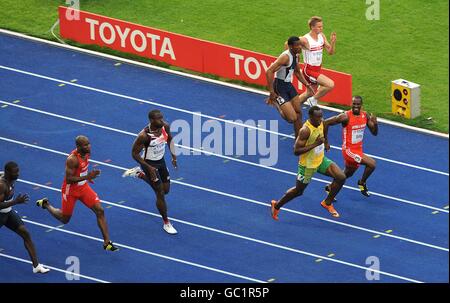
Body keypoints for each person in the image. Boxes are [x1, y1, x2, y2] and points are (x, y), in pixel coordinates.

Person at [36, 136, 118, 251]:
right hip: (71, 191)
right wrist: (87, 176)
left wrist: (87, 178)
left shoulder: (87, 153)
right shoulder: (72, 159)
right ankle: (46, 204)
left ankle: (107, 243)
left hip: (83, 187)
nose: (89, 146)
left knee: (100, 210)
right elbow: (69, 179)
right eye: (85, 145)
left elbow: (81, 170)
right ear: (78, 147)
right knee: (65, 219)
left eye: (88, 143)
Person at [271, 106, 346, 219]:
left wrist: (326, 142)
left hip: (320, 160)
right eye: (318, 117)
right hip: (307, 166)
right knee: (298, 191)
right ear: (311, 117)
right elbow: (296, 151)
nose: (321, 119)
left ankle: (327, 202)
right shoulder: (305, 130)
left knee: (341, 177)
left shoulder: (321, 122)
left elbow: (326, 125)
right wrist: (316, 144)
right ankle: (276, 205)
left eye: (321, 116)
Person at [122, 109, 178, 235]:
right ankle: (166, 223)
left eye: (162, 118)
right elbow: (134, 154)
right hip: (149, 164)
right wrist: (148, 167)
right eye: (159, 119)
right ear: (152, 120)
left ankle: (138, 174)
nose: (162, 121)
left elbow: (170, 140)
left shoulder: (165, 127)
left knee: (166, 190)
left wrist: (174, 157)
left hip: (161, 161)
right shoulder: (144, 136)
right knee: (160, 193)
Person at [0, 162, 50, 274]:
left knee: (25, 233)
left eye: (18, 171)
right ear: (8, 173)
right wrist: (15, 201)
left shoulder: (8, 177)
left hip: (8, 213)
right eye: (15, 172)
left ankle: (36, 266)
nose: (18, 174)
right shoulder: (2, 185)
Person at [324, 96, 378, 197]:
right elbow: (326, 123)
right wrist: (325, 142)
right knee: (372, 164)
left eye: (358, 104)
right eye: (354, 104)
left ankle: (330, 188)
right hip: (349, 151)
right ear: (351, 104)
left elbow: (374, 133)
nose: (356, 106)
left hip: (358, 150)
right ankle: (362, 183)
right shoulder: (345, 116)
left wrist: (375, 124)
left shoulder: (365, 115)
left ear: (361, 105)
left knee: (346, 175)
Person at [266, 36, 315, 137]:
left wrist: (307, 85)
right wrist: (271, 91)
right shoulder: (285, 57)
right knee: (292, 118)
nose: (300, 47)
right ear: (290, 47)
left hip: (288, 85)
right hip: (279, 87)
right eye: (297, 45)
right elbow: (269, 71)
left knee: (299, 113)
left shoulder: (296, 56)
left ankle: (299, 139)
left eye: (300, 45)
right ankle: (276, 103)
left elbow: (297, 72)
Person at [297, 16, 336, 107]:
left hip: (317, 69)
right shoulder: (305, 39)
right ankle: (313, 100)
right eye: (319, 27)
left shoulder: (321, 36)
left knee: (309, 93)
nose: (321, 28)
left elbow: (330, 52)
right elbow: (289, 43)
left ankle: (292, 107)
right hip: (309, 70)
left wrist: (333, 42)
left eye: (322, 26)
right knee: (330, 84)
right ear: (312, 27)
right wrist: (294, 57)